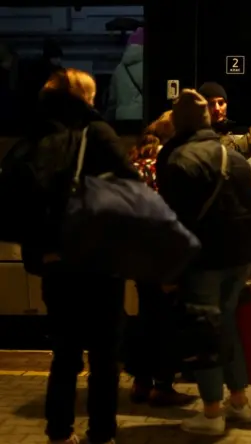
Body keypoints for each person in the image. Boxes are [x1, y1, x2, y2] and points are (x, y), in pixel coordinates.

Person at [20, 68, 139, 444]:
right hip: (99, 263)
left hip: (56, 263)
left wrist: (40, 253)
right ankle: (101, 433)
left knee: (65, 354)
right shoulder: (97, 133)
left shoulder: (37, 134)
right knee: (104, 357)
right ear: (87, 99)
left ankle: (59, 432)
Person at [156, 89, 251, 435]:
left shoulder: (177, 160)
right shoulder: (232, 157)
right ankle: (239, 404)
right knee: (227, 326)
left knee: (205, 333)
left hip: (202, 261)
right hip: (239, 259)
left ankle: (212, 413)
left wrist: (170, 269)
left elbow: (173, 220)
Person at [124, 110, 195, 407]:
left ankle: (141, 383)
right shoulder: (165, 163)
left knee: (146, 317)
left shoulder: (134, 160)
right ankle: (163, 385)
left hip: (136, 252)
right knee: (167, 321)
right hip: (162, 253)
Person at [197, 81, 251, 159]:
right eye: (211, 104)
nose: (217, 108)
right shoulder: (202, 134)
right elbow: (235, 153)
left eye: (221, 103)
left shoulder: (222, 130)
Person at [107, 27, 144, 120]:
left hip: (123, 118)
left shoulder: (119, 69)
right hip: (143, 117)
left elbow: (112, 100)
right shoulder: (148, 67)